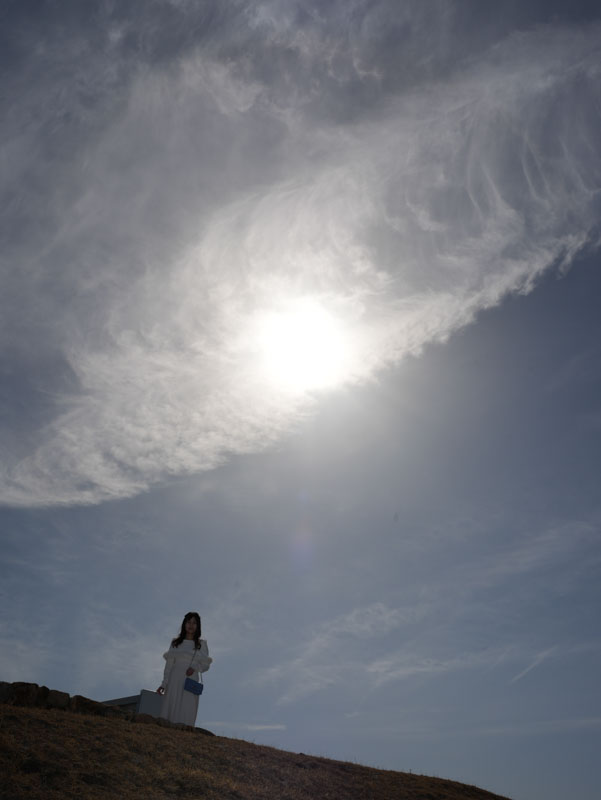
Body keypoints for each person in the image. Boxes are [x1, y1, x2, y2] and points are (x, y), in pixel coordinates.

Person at [156, 611, 212, 726]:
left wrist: (194, 668)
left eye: (194, 623)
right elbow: (169, 666)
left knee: (187, 707)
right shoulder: (175, 642)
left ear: (198, 626)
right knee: (171, 706)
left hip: (191, 679)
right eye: (188, 622)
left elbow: (205, 664)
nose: (191, 625)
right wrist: (164, 684)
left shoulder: (201, 644)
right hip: (174, 679)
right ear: (184, 624)